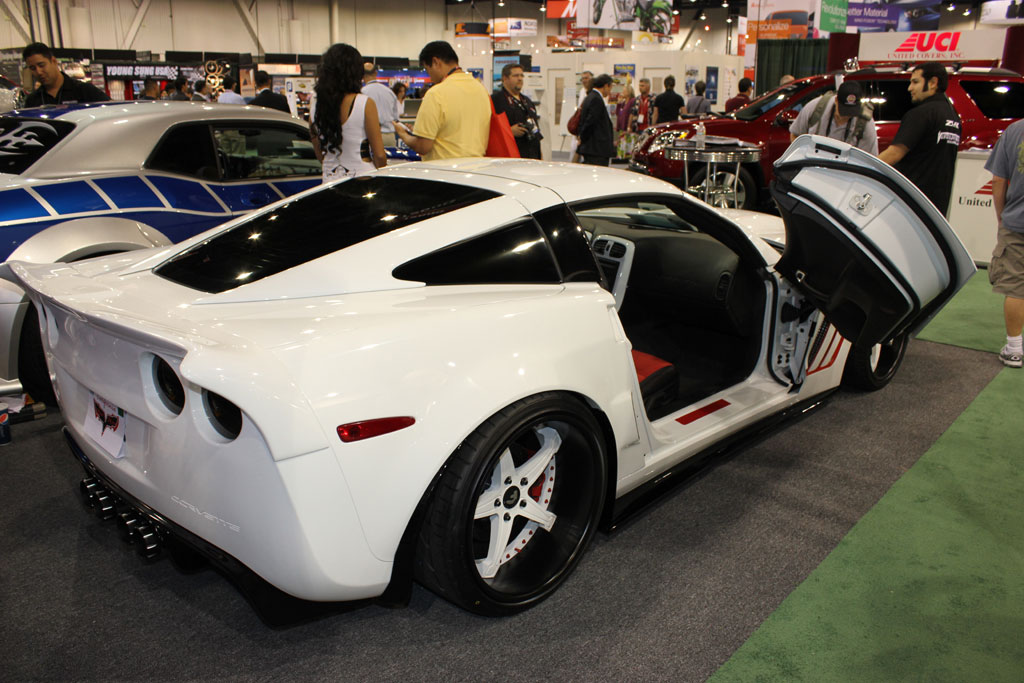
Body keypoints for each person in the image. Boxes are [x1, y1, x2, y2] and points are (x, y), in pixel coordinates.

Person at [878, 62, 961, 217]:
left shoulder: (921, 114)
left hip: (912, 205)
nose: (910, 88)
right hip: (938, 209)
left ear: (933, 83)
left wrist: (865, 169)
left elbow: (894, 154)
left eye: (915, 82)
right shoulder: (953, 117)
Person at [394, 40, 489, 161]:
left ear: (435, 62)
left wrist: (403, 135)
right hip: (475, 170)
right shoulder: (481, 89)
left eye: (427, 70)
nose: (430, 77)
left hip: (444, 172)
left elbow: (423, 146)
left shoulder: (436, 93)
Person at [311, 43, 386, 182]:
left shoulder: (315, 105)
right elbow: (379, 155)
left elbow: (319, 152)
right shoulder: (364, 103)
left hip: (329, 180)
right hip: (363, 178)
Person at [983, 118, 1024, 368]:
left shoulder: (1015, 130)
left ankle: (1015, 348)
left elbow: (998, 181)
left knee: (1016, 286)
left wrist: (1001, 216)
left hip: (1018, 222)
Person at [788, 80, 878, 155]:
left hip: (845, 172)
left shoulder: (865, 122)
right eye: (844, 111)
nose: (846, 117)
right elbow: (795, 134)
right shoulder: (815, 108)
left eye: (851, 112)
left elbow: (870, 159)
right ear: (836, 100)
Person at [22, 42, 109, 106]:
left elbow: (112, 109)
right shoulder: (32, 101)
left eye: (41, 65)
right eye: (33, 68)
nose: (38, 72)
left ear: (53, 61)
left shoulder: (84, 91)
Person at [492, 62, 542, 160]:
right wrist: (509, 131)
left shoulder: (527, 101)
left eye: (521, 75)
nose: (520, 79)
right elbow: (488, 130)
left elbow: (535, 130)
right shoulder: (495, 100)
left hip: (532, 156)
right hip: (509, 156)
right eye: (515, 76)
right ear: (505, 78)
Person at [578, 73, 615, 166]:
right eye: (610, 88)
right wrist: (582, 137)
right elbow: (590, 122)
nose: (610, 91)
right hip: (596, 149)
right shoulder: (596, 99)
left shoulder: (591, 96)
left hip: (593, 148)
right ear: (606, 85)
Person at [362, 62, 401, 145]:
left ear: (362, 75)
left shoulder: (362, 93)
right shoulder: (390, 92)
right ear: (376, 73)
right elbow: (396, 119)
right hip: (389, 137)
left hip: (370, 137)